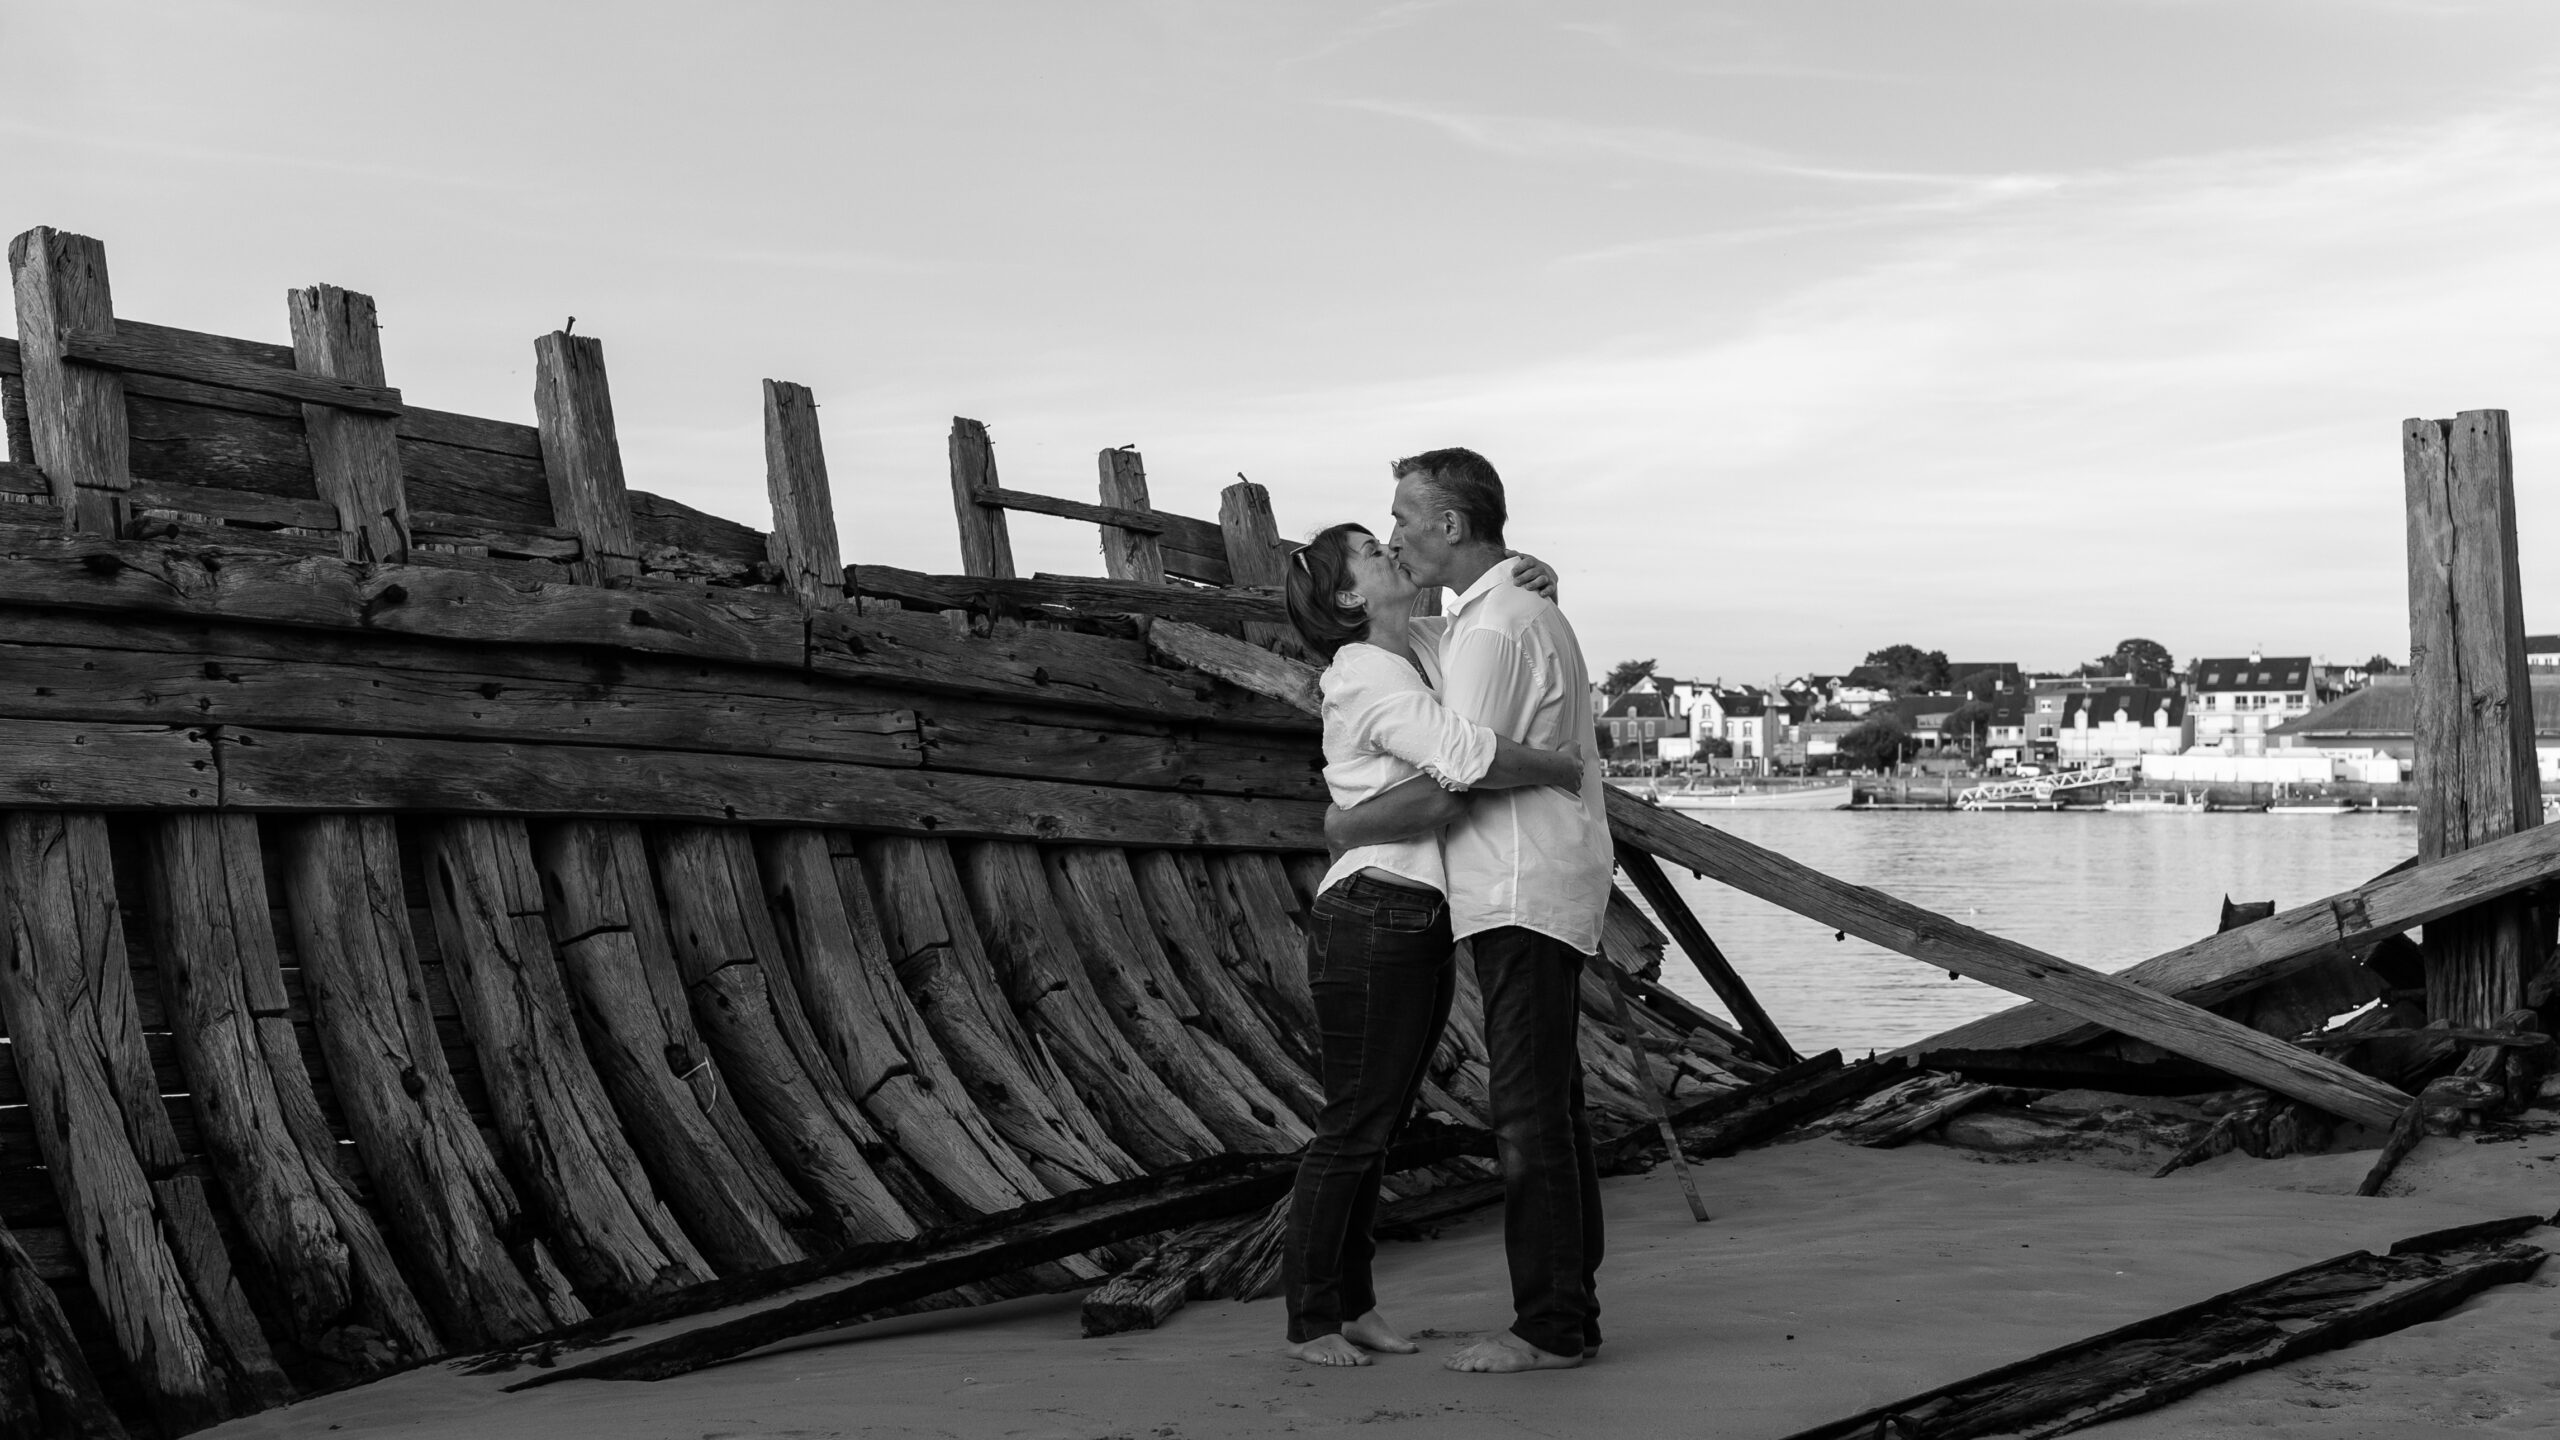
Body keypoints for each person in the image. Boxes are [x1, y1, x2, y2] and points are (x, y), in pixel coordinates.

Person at [1326, 447, 1614, 1375]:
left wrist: (1344, 824)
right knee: (1552, 1108)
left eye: (1402, 517)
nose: (1395, 534)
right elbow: (1406, 662)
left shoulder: (1490, 628)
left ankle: (1550, 1329)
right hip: (1532, 879)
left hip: (1520, 881)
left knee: (1529, 1117)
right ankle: (1569, 1315)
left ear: (1449, 524)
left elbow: (1460, 767)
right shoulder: (1485, 619)